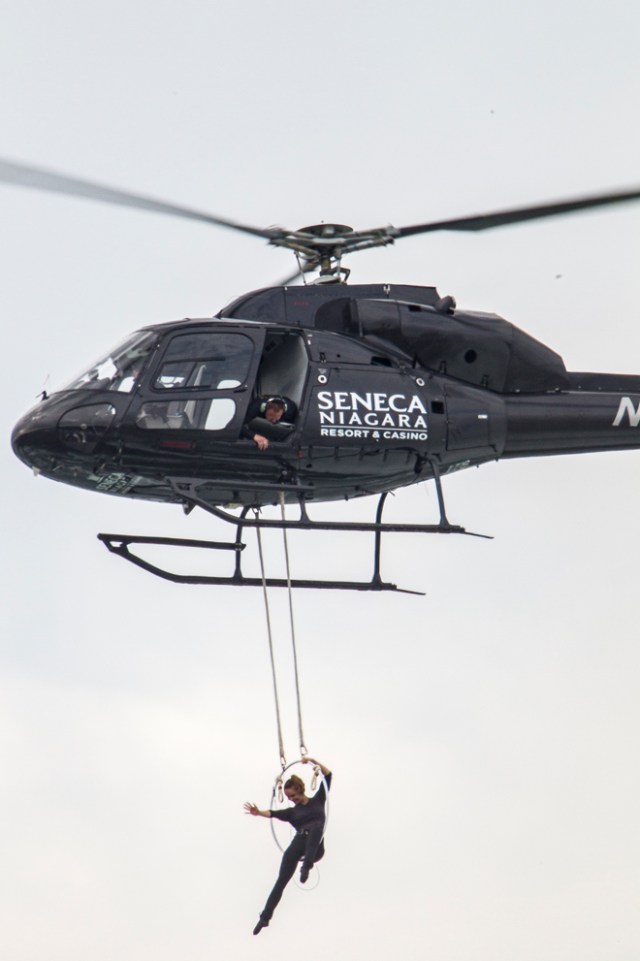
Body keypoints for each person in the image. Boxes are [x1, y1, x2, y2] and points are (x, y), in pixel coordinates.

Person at [244, 755, 331, 934]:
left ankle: (306, 867)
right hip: (300, 843)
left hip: (315, 847)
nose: (291, 799)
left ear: (299, 790)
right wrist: (258, 812)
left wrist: (313, 761)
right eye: (288, 797)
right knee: (281, 880)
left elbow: (328, 775)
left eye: (292, 795)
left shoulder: (318, 800)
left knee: (315, 830)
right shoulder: (292, 813)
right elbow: (274, 813)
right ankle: (264, 918)